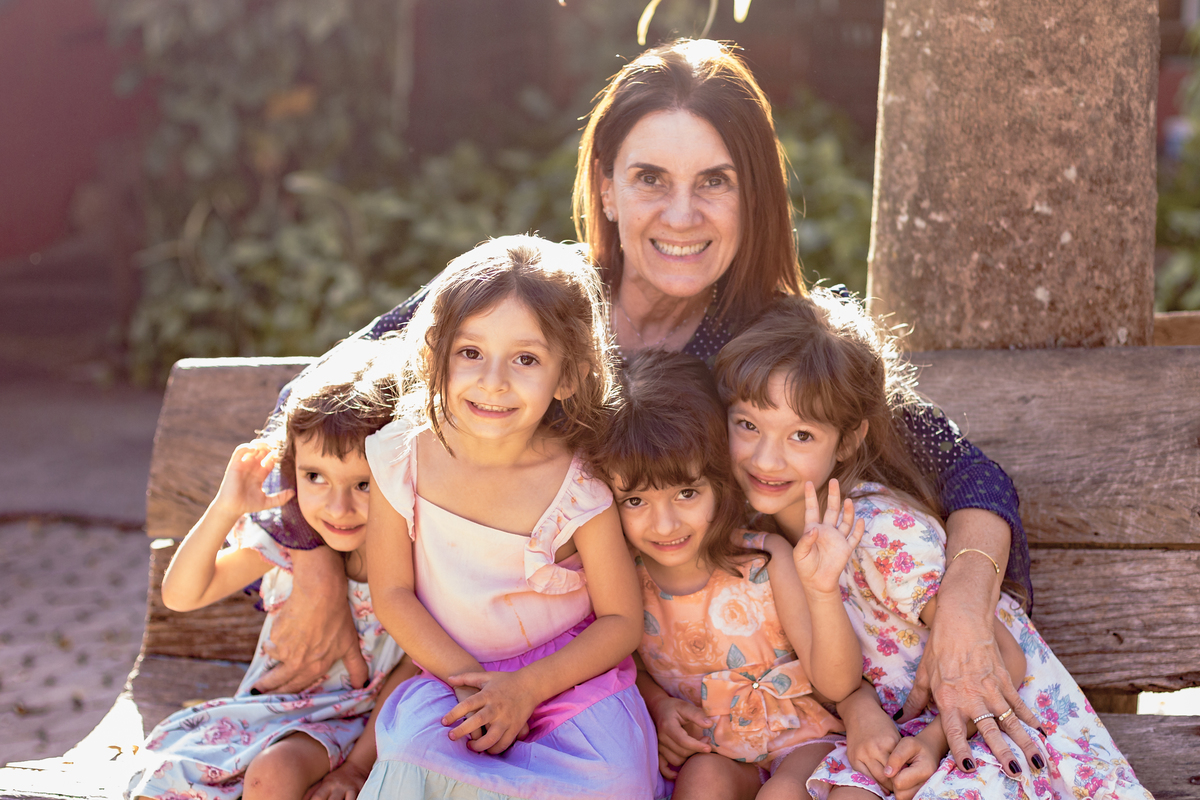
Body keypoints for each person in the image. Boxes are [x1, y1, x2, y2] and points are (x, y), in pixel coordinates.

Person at [255, 38, 1034, 772]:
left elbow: (965, 470)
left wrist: (966, 606)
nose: (682, 214)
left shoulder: (769, 342)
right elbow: (316, 397)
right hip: (466, 667)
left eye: (715, 182)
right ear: (606, 187)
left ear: (751, 195)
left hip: (676, 706)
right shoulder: (535, 301)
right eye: (651, 178)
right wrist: (316, 559)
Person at [712, 291, 1152, 800]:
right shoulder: (759, 536)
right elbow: (838, 679)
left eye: (801, 436)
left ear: (849, 440)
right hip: (895, 734)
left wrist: (934, 739)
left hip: (989, 726)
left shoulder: (881, 534)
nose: (766, 459)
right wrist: (861, 713)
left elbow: (1001, 658)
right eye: (748, 424)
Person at [355, 235, 665, 799]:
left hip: (569, 680)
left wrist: (525, 689)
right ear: (435, 354)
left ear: (568, 376)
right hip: (455, 673)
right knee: (412, 753)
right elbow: (394, 594)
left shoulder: (579, 484)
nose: (493, 381)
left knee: (612, 776)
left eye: (526, 359)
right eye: (470, 352)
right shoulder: (401, 458)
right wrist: (475, 688)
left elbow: (621, 619)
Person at [126, 341, 419, 800]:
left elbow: (412, 673)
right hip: (266, 716)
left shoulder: (416, 569)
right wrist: (226, 507)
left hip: (356, 724)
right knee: (165, 775)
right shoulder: (285, 548)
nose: (338, 507)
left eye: (363, 483)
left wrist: (360, 764)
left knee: (273, 773)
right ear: (291, 470)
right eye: (314, 477)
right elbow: (182, 594)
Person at [588, 349, 865, 799]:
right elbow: (626, 664)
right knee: (701, 783)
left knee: (783, 794)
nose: (665, 525)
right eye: (635, 501)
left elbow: (836, 684)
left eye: (686, 493)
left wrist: (821, 589)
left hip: (803, 742)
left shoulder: (764, 560)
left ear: (718, 479)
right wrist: (659, 707)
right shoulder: (625, 580)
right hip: (716, 750)